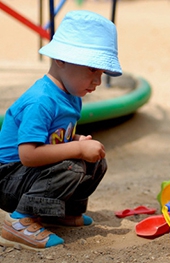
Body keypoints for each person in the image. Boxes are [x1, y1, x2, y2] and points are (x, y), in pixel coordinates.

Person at [0, 10, 122, 250]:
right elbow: (29, 154)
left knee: (96, 162)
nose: (98, 81)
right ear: (61, 60)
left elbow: (52, 137)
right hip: (9, 178)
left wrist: (75, 139)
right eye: (92, 69)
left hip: (30, 175)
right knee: (72, 166)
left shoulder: (72, 95)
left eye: (101, 72)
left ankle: (60, 213)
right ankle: (18, 221)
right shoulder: (42, 100)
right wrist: (76, 148)